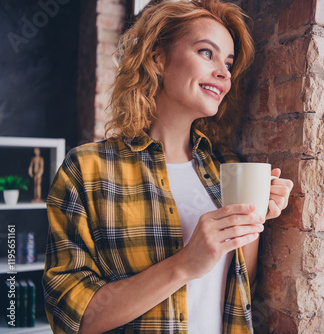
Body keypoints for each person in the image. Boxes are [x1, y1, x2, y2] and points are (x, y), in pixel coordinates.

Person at [42, 0, 293, 333]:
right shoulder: (86, 170)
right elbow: (71, 315)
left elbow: (240, 292)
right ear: (157, 57)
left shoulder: (229, 168)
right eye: (207, 53)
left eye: (228, 63)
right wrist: (184, 265)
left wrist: (255, 217)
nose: (223, 73)